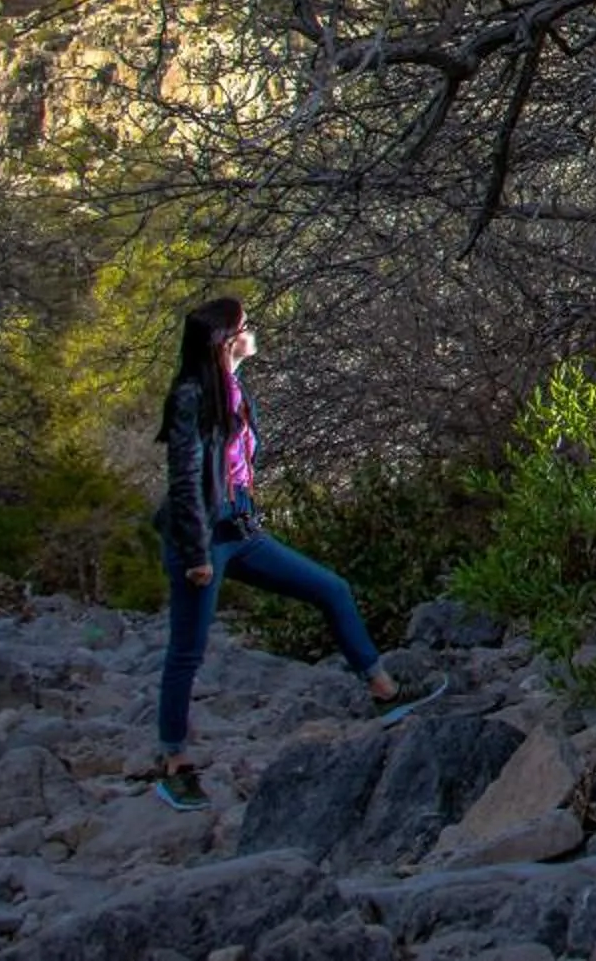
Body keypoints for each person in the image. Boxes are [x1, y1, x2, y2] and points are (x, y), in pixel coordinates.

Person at [152, 297, 445, 811]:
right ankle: (173, 763)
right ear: (225, 340)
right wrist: (198, 553)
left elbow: (235, 469)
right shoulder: (192, 396)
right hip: (202, 539)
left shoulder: (234, 390)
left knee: (330, 589)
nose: (252, 332)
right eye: (245, 327)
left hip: (241, 530)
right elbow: (184, 482)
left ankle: (383, 691)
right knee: (187, 651)